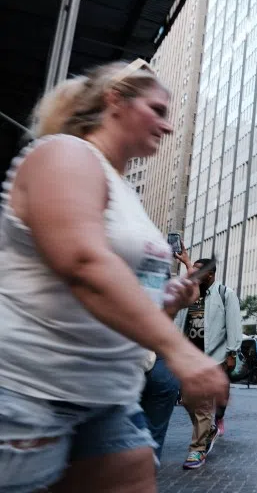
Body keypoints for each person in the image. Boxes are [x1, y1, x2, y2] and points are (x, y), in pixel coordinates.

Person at [0, 60, 229, 492]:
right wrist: (179, 351)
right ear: (115, 101)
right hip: (27, 393)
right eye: (157, 110)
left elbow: (122, 302)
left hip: (107, 398)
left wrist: (170, 299)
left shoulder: (126, 192)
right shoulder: (63, 154)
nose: (168, 127)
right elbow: (83, 262)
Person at [173, 257, 242, 469]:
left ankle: (197, 449)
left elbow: (233, 325)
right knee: (187, 401)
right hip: (188, 356)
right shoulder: (190, 294)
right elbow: (178, 322)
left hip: (213, 357)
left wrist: (231, 353)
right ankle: (209, 430)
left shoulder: (225, 294)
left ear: (210, 275)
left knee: (202, 405)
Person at [140, 248, 195, 461]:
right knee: (153, 435)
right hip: (160, 358)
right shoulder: (165, 289)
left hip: (136, 358)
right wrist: (188, 264)